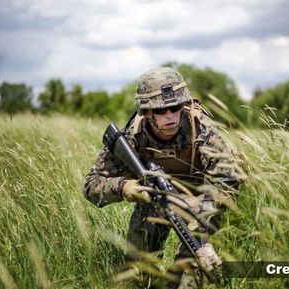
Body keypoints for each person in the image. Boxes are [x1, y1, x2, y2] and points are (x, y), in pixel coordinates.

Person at [83, 67, 240, 289]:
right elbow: (91, 185)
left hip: (199, 203)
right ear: (146, 112)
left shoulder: (201, 128)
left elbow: (229, 183)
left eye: (175, 107)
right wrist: (126, 187)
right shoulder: (133, 135)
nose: (170, 116)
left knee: (191, 271)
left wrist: (198, 205)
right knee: (137, 271)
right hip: (154, 200)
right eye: (160, 110)